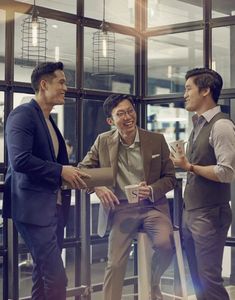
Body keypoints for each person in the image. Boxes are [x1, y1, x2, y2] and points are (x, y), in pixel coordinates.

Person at [3, 61, 89, 300]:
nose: (66, 88)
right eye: (61, 82)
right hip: (33, 210)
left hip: (53, 209)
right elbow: (20, 160)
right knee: (56, 277)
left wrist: (70, 173)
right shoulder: (22, 116)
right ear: (44, 84)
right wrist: (61, 170)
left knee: (43, 276)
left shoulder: (48, 120)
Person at [79, 94, 176, 300]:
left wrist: (150, 189)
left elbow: (170, 178)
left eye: (130, 111)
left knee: (166, 244)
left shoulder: (156, 140)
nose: (128, 117)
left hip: (152, 207)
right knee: (114, 263)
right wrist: (97, 188)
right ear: (110, 120)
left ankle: (154, 282)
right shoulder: (103, 141)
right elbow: (83, 169)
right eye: (120, 113)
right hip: (122, 209)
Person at [171, 68, 235, 300]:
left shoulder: (222, 126)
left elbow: (226, 172)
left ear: (206, 90)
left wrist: (188, 166)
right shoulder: (198, 124)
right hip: (193, 212)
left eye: (188, 88)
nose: (184, 94)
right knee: (198, 279)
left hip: (210, 214)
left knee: (209, 280)